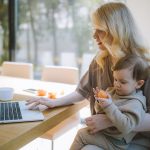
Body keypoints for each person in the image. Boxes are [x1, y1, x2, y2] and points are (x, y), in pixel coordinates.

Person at [26, 2, 150, 150]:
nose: (94, 35)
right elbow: (81, 92)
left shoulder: (143, 66)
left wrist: (109, 120)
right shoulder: (101, 60)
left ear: (115, 31)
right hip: (105, 134)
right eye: (94, 30)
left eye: (100, 30)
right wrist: (55, 102)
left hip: (134, 139)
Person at [70, 55, 149, 150]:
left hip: (117, 142)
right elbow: (99, 111)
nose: (116, 84)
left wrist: (109, 105)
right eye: (115, 79)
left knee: (81, 135)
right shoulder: (112, 91)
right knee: (82, 134)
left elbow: (127, 127)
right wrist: (99, 101)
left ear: (139, 84)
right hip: (106, 134)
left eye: (123, 82)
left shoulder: (135, 103)